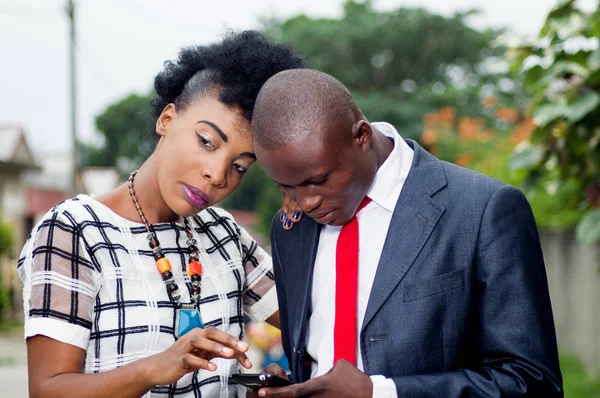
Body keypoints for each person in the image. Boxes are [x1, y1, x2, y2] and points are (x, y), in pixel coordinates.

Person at [17, 31, 303, 398]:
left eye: (240, 167)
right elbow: (47, 389)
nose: (217, 174)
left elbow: (311, 319)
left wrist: (303, 196)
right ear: (167, 119)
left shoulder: (224, 234)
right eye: (206, 142)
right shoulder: (74, 231)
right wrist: (156, 368)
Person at [250, 69, 563, 397]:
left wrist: (381, 393)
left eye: (318, 180)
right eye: (285, 186)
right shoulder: (290, 227)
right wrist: (296, 387)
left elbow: (532, 382)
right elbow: (316, 356)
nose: (306, 201)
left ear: (361, 137)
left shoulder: (484, 209)